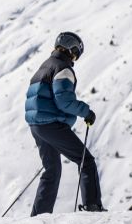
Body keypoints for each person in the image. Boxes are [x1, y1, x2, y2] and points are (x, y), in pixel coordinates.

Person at [24, 31, 105, 214]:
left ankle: (40, 215)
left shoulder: (44, 66)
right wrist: (86, 112)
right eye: (77, 52)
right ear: (72, 49)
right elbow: (64, 101)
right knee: (86, 161)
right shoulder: (63, 68)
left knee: (51, 170)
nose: (76, 57)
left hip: (37, 125)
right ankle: (93, 206)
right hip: (51, 125)